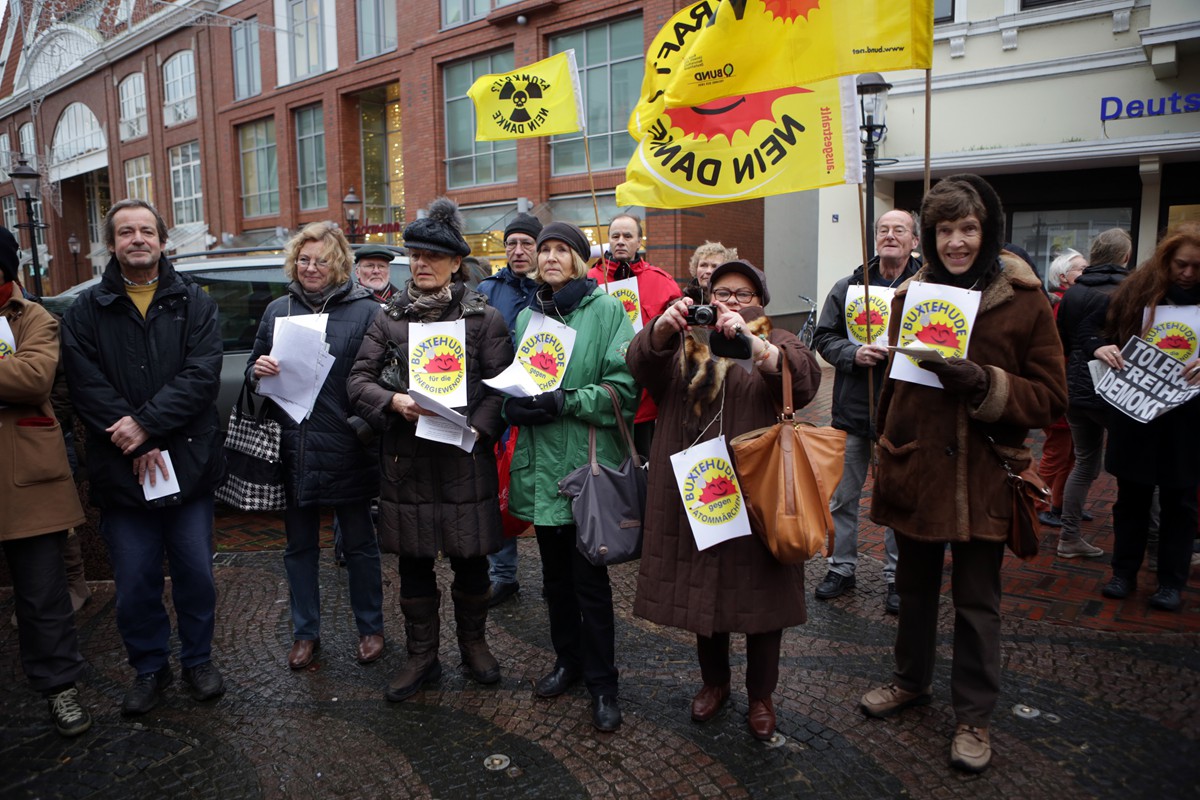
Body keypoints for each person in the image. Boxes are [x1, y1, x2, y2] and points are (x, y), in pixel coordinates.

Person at [859, 174, 1066, 774]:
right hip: (917, 466)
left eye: (968, 229)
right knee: (914, 589)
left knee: (978, 601)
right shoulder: (911, 296)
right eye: (945, 229)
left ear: (988, 230)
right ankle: (910, 681)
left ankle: (974, 715)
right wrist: (885, 443)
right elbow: (896, 387)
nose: (956, 242)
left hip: (984, 474)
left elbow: (1052, 397)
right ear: (929, 236)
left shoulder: (1023, 299)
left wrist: (985, 383)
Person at [631, 259, 821, 741]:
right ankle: (714, 682)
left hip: (760, 493)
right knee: (705, 591)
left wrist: (754, 344)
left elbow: (804, 381)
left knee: (763, 598)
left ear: (760, 301)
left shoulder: (777, 339)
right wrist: (661, 328)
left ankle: (761, 695)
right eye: (722, 293)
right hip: (700, 491)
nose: (731, 301)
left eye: (742, 294)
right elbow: (639, 366)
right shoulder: (687, 342)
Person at [62, 199, 227, 715]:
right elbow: (85, 385)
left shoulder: (194, 301)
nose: (137, 239)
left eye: (147, 231)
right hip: (121, 468)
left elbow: (202, 376)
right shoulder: (85, 310)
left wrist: (148, 425)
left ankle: (198, 660)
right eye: (126, 232)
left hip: (188, 466)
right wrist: (137, 437)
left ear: (162, 240)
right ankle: (149, 667)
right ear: (111, 245)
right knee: (135, 583)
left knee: (196, 574)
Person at [348, 197, 513, 702]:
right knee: (414, 565)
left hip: (464, 459)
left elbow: (502, 387)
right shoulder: (388, 318)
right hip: (407, 463)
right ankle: (422, 656)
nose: (421, 264)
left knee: (471, 561)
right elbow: (357, 381)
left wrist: (477, 431)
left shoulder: (484, 319)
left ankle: (474, 645)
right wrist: (393, 401)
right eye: (415, 255)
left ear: (456, 262)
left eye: (433, 256)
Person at [506, 221, 637, 732]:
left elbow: (623, 390)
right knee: (555, 582)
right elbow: (519, 381)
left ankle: (604, 683)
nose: (550, 257)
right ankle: (568, 661)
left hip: (586, 469)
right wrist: (515, 404)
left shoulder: (608, 311)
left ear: (580, 259)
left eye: (562, 249)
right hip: (542, 468)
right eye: (545, 250)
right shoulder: (527, 316)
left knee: (590, 583)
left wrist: (567, 401)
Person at [248, 222, 384, 671]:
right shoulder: (278, 309)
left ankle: (371, 627)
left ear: (339, 263)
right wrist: (257, 371)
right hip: (294, 445)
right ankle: (304, 633)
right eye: (304, 259)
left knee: (360, 545)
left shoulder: (366, 311)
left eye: (320, 260)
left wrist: (361, 426)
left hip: (347, 444)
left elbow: (383, 377)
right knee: (299, 547)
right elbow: (252, 369)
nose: (310, 267)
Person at [0, 227, 92, 736]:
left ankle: (61, 688)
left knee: (42, 594)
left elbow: (33, 378)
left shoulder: (33, 316)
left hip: (27, 478)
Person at [812, 209, 921, 614]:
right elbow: (824, 337)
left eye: (899, 230)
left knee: (897, 498)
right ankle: (841, 567)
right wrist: (852, 353)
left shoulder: (928, 289)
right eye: (883, 229)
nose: (890, 235)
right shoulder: (848, 287)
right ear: (875, 238)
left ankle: (897, 575)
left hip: (905, 412)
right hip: (853, 410)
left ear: (914, 241)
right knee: (843, 496)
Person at [1097, 222, 1200, 612]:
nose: (1187, 273)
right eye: (1180, 264)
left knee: (1180, 504)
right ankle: (1123, 573)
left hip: (1188, 421)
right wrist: (1100, 348)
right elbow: (1093, 332)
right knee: (1131, 500)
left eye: (1197, 266)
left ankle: (1171, 581)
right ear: (1165, 260)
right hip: (1137, 415)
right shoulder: (1138, 291)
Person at [478, 212, 544, 607]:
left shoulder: (553, 288)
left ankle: (558, 576)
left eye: (526, 244)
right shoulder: (487, 289)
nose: (518, 251)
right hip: (499, 408)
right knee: (498, 490)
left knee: (548, 490)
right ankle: (503, 576)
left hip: (543, 405)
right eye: (511, 244)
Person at [1054, 228, 1133, 557]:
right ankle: (1151, 544)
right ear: (1125, 256)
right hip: (1116, 388)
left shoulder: (1073, 293)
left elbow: (1062, 340)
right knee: (1134, 466)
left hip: (1076, 387)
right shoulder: (1129, 291)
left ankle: (1068, 537)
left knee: (1085, 463)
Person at [588, 213, 681, 456]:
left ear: (639, 241)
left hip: (647, 400)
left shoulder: (662, 282)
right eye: (615, 236)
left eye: (628, 236)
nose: (620, 241)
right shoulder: (588, 281)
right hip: (601, 396)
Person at [1036, 248, 1087, 527]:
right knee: (1057, 453)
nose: (1086, 272)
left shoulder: (1071, 302)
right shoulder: (1061, 306)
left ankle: (1058, 504)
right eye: (1081, 268)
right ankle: (1036, 504)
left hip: (1069, 389)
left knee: (1069, 454)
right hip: (1061, 390)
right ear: (1063, 276)